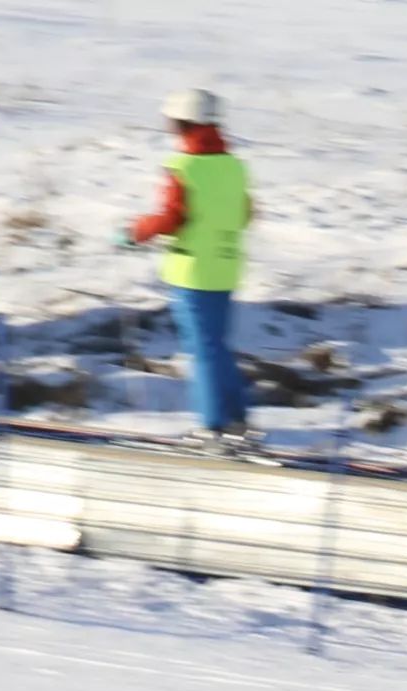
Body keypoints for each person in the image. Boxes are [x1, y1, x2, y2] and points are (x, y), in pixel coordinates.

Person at [117, 87, 251, 441]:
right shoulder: (234, 166)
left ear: (183, 123)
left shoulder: (183, 167)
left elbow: (171, 218)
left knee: (202, 350)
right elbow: (246, 213)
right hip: (226, 267)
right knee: (216, 346)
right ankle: (237, 421)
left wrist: (135, 232)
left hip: (192, 271)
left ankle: (213, 427)